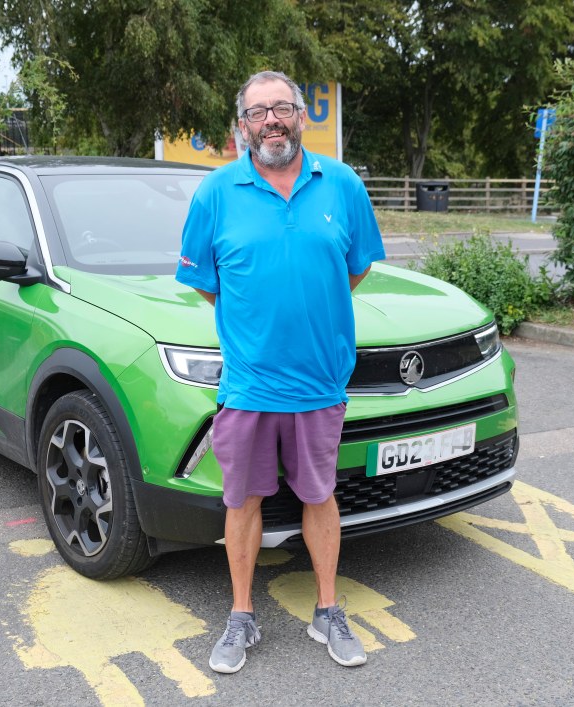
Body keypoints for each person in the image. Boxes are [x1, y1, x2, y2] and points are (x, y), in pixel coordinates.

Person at [175, 70, 386, 673]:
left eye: (283, 109)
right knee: (241, 500)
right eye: (259, 111)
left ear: (301, 117)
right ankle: (241, 617)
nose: (273, 120)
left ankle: (328, 610)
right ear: (242, 126)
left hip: (320, 383)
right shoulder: (216, 193)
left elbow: (353, 270)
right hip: (248, 385)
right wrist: (261, 325)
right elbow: (210, 287)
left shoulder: (341, 185)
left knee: (321, 496)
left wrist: (306, 316)